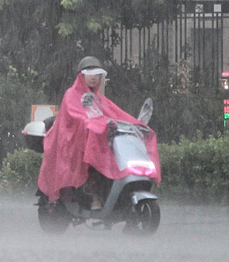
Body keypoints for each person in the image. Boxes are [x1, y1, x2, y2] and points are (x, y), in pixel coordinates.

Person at [37, 56, 160, 207]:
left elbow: (117, 114)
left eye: (97, 74)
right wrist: (96, 124)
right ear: (81, 76)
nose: (94, 78)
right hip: (73, 144)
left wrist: (136, 124)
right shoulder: (71, 95)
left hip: (92, 141)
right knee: (94, 160)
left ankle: (110, 198)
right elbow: (77, 118)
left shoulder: (98, 98)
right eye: (90, 74)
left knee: (109, 158)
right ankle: (94, 196)